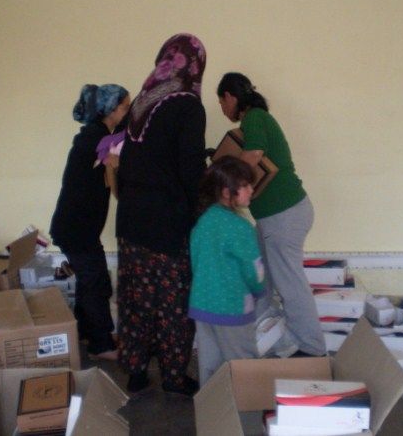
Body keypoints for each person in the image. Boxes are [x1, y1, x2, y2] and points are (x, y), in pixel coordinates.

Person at [116, 33, 207, 396]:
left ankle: (136, 371)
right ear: (195, 64)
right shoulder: (188, 105)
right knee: (172, 303)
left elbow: (127, 163)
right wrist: (202, 210)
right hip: (167, 223)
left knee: (136, 299)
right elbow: (190, 170)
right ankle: (173, 376)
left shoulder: (142, 100)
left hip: (130, 220)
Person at [216, 72, 326, 358]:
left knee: (290, 283)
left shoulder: (254, 117)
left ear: (230, 96)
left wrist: (225, 187)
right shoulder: (256, 120)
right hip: (275, 217)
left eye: (222, 103)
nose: (223, 109)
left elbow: (252, 155)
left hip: (283, 215)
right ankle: (273, 335)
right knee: (259, 277)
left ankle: (312, 348)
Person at [50, 83, 131, 360]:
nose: (128, 113)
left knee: (90, 282)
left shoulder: (97, 136)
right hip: (77, 228)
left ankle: (85, 333)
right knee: (96, 282)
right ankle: (101, 345)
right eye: (125, 107)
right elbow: (114, 154)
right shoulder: (95, 138)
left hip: (79, 227)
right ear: (110, 110)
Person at [189, 155, 265, 385]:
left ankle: (212, 405)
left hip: (202, 304)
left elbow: (196, 261)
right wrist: (259, 290)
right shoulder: (241, 228)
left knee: (209, 365)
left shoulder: (203, 222)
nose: (251, 190)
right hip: (232, 306)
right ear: (225, 192)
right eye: (245, 185)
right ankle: (246, 405)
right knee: (243, 364)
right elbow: (253, 270)